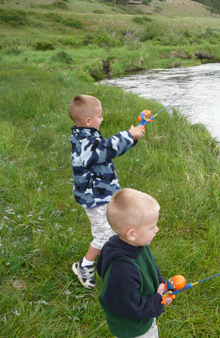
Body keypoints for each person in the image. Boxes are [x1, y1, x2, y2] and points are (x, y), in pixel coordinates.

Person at [68, 94, 145, 289]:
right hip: (94, 198)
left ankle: (110, 260)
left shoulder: (88, 135)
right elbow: (105, 149)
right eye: (100, 116)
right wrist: (128, 135)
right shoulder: (83, 142)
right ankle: (84, 265)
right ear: (88, 120)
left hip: (103, 195)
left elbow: (108, 151)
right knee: (104, 234)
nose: (102, 119)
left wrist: (132, 138)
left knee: (112, 230)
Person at [97, 188, 172, 338]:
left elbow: (151, 264)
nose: (157, 229)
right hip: (134, 329)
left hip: (144, 312)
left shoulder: (137, 245)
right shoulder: (123, 269)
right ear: (132, 234)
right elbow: (132, 308)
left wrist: (160, 282)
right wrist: (159, 300)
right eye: (152, 227)